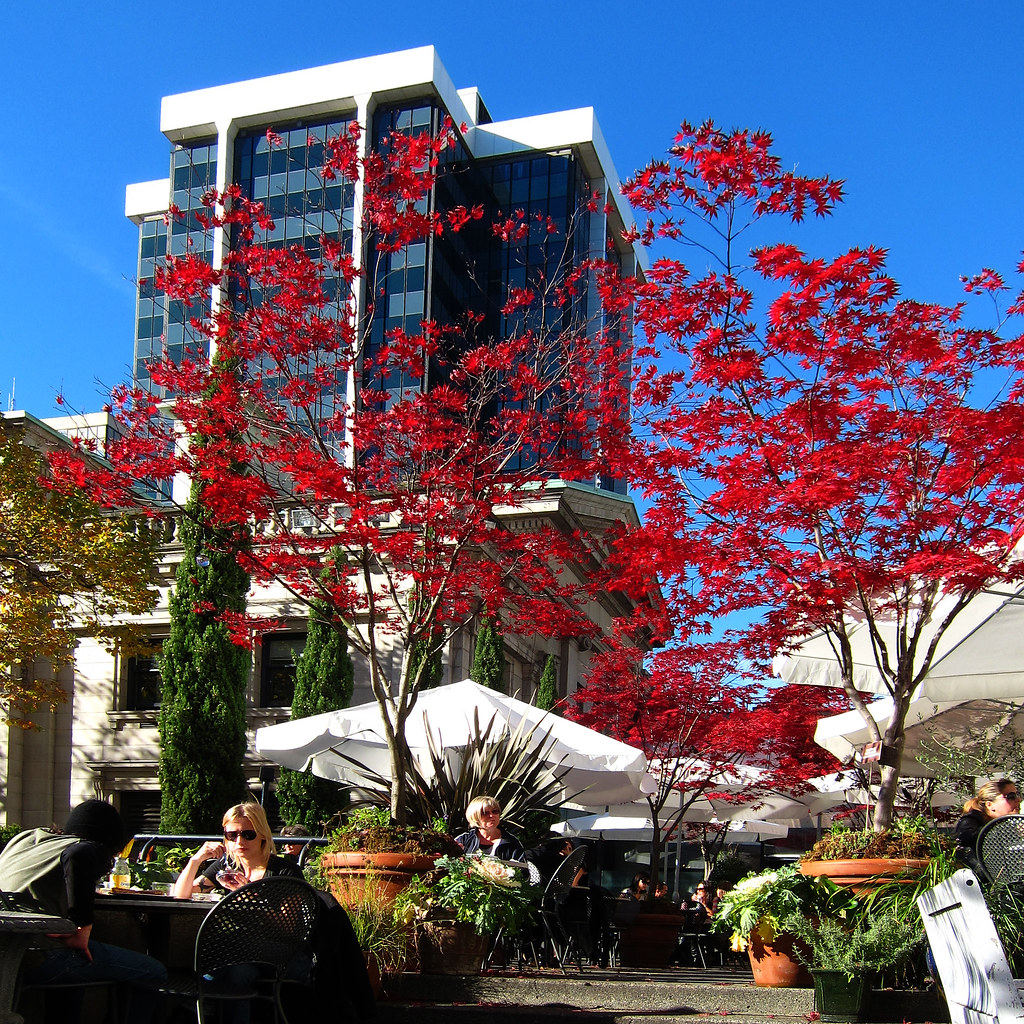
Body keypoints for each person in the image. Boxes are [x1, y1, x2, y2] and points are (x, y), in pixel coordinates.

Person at [0, 799, 167, 1023]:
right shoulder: (86, 847)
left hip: (7, 955)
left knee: (75, 971)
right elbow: (79, 855)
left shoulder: (26, 839)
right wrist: (82, 928)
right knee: (153, 971)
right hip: (37, 955)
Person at [172, 801, 303, 897]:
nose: (239, 841)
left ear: (263, 834)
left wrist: (248, 896)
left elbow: (288, 926)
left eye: (248, 835)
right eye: (232, 835)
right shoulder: (227, 865)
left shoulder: (286, 872)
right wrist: (195, 860)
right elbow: (181, 895)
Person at [954, 778, 1021, 875]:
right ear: (990, 805)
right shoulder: (970, 822)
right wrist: (1012, 832)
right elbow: (966, 839)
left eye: (1017, 795)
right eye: (1011, 796)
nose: (1018, 800)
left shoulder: (1004, 825)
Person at [453, 795, 524, 862]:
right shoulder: (464, 840)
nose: (491, 815)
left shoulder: (511, 842)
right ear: (475, 817)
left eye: (495, 811)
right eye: (485, 813)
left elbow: (523, 870)